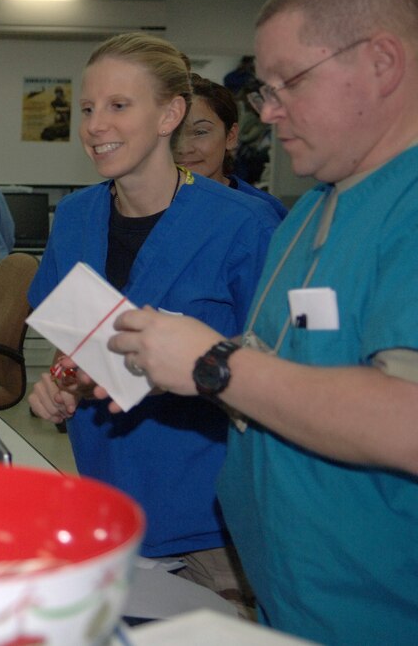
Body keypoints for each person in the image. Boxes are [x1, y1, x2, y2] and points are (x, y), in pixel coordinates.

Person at [106, 0, 418, 644]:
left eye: (288, 84)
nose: (269, 112)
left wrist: (216, 364)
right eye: (263, 91)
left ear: (382, 62)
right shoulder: (313, 207)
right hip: (292, 598)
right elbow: (290, 371)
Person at [26, 33, 280, 608]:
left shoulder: (246, 226)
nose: (95, 124)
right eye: (87, 109)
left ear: (170, 114)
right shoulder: (74, 219)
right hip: (105, 510)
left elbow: (282, 377)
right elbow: (83, 350)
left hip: (210, 530)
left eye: (118, 106)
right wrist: (63, 384)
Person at [173, 73, 288, 220]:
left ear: (231, 136)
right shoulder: (142, 208)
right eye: (172, 133)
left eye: (200, 132)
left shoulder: (262, 214)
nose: (183, 148)